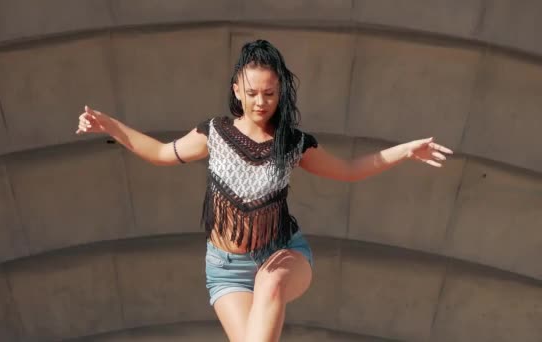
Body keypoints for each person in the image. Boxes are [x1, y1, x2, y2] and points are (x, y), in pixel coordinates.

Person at [75, 39, 453, 342]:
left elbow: (350, 170)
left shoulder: (292, 143)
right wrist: (108, 124)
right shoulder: (215, 134)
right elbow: (159, 153)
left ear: (281, 92)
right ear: (237, 89)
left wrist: (404, 151)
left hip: (281, 256)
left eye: (270, 94)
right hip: (225, 271)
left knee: (269, 282)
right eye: (253, 92)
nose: (261, 102)